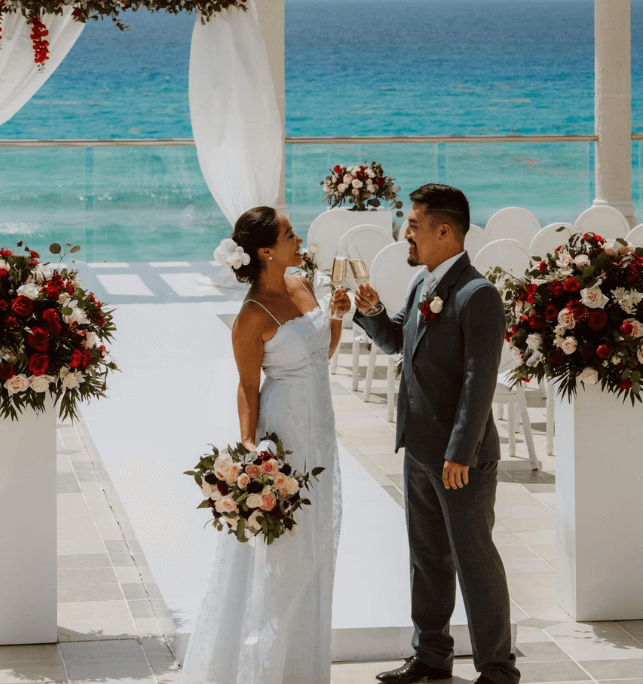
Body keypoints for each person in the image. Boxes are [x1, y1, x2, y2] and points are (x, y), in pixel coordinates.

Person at [353, 184, 519, 684]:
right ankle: (431, 655)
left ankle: (497, 668)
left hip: (458, 459)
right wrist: (371, 312)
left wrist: (459, 453)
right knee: (426, 558)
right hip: (420, 450)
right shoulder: (422, 285)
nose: (406, 232)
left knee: (475, 562)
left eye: (414, 224)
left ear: (444, 231)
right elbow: (395, 341)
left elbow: (478, 381)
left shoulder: (478, 294)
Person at [182, 206, 349, 684]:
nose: (300, 241)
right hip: (286, 436)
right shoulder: (250, 317)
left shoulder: (302, 282)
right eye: (290, 234)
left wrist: (336, 318)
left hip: (322, 434)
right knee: (282, 555)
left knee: (317, 543)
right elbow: (247, 388)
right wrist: (251, 449)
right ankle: (262, 667)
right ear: (265, 251)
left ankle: (303, 667)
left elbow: (321, 354)